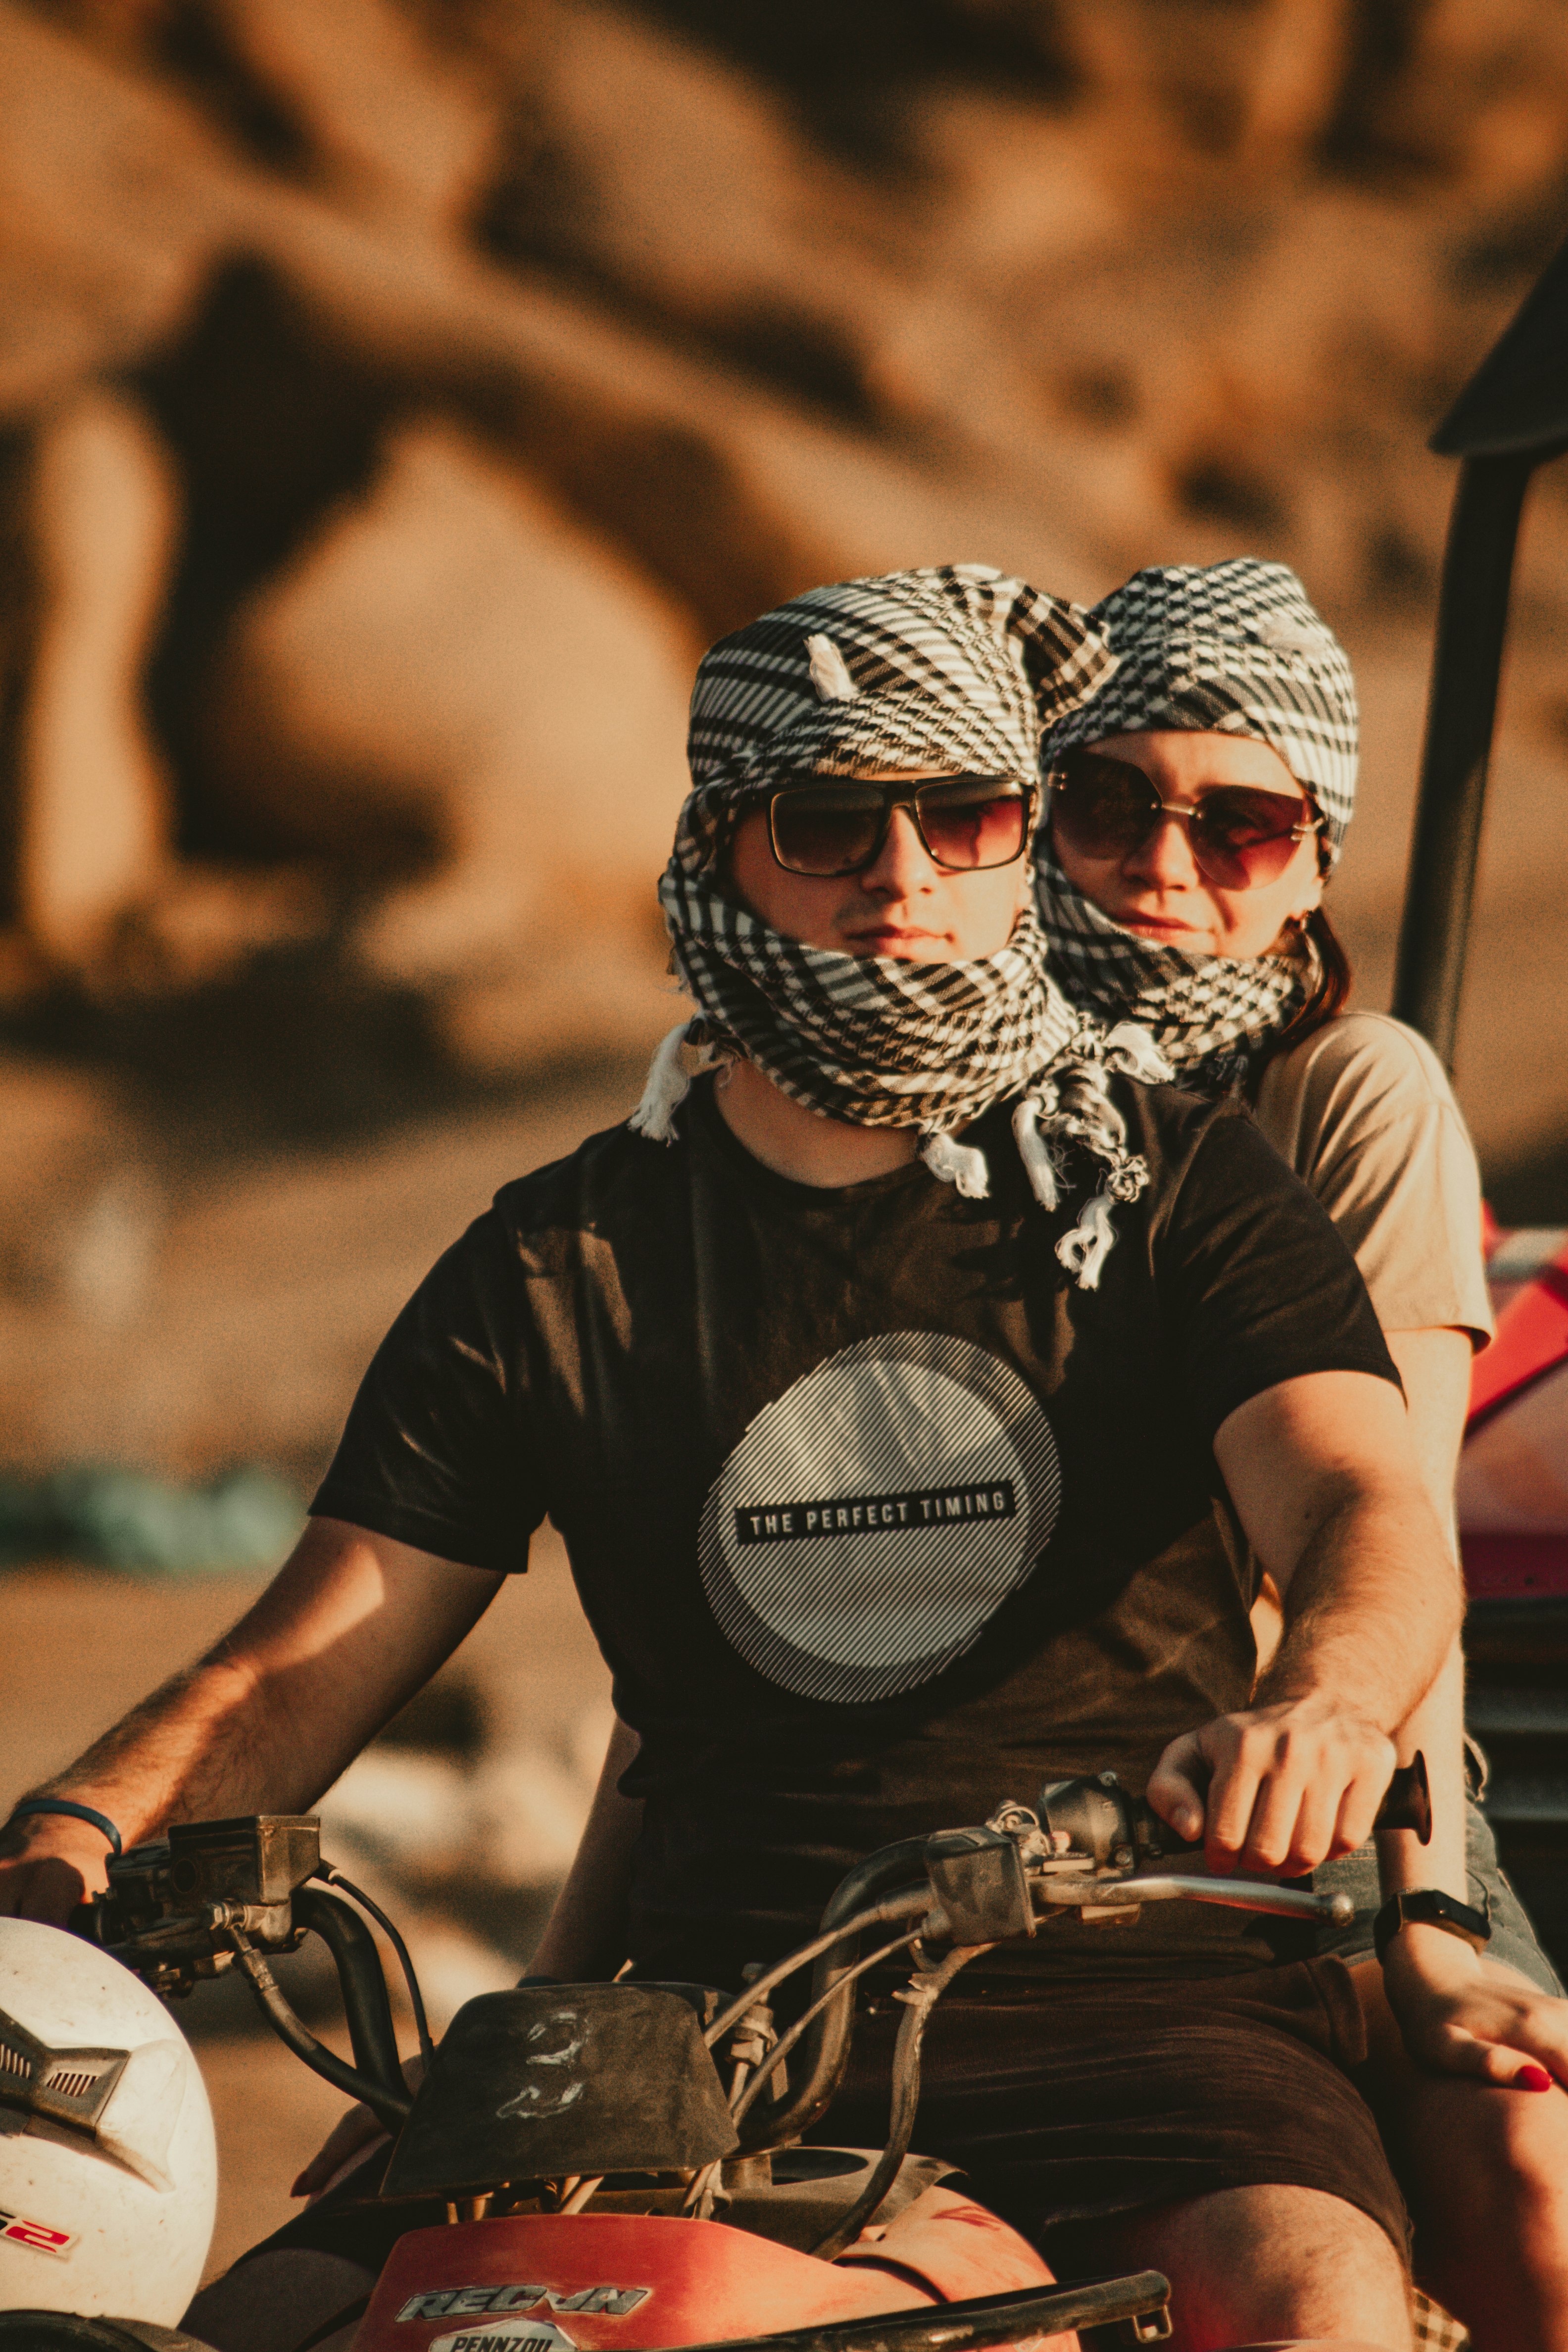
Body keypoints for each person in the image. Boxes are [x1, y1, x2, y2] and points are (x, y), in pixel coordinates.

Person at [0, 566, 1465, 2352]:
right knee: (259, 2322)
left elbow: (1356, 1497)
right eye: (831, 819)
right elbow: (305, 1655)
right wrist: (69, 1848)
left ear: (1020, 847)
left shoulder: (1169, 1187)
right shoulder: (559, 1262)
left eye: (964, 813)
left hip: (1136, 2003)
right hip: (681, 2032)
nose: (903, 877)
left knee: (1318, 2298)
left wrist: (1322, 1706)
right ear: (725, 849)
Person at [1032, 555, 1568, 2350]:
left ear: (1316, 859)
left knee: (1529, 2196)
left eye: (1239, 824)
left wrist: (1415, 1919)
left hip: (1297, 1801)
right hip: (956, 1792)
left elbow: (1388, 1537)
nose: (1165, 869)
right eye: (1108, 804)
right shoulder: (919, 1113)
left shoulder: (1347, 1093)